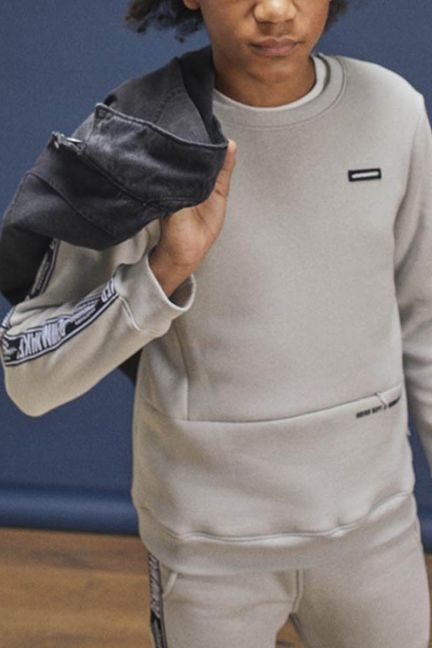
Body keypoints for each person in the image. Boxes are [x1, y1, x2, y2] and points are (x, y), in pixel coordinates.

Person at [1, 1, 431, 646]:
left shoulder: (393, 109)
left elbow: (425, 319)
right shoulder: (139, 141)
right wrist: (165, 269)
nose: (275, 10)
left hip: (376, 531)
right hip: (206, 549)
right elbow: (30, 380)